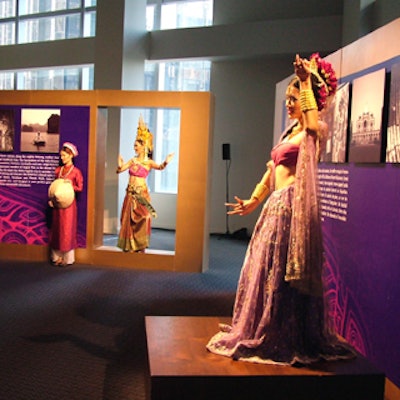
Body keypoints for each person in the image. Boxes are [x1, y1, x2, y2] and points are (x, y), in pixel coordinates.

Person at [206, 54, 356, 365]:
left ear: (308, 98)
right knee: (266, 268)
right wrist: (254, 199)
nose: (288, 105)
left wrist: (304, 81)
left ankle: (286, 331)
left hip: (293, 208)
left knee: (284, 272)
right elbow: (272, 168)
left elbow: (312, 124)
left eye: (294, 99)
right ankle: (264, 323)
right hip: (274, 206)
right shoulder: (288, 133)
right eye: (287, 98)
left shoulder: (314, 130)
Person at [116, 118, 174, 253]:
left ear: (143, 146)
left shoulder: (148, 162)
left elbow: (160, 167)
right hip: (130, 194)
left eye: (136, 145)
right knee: (127, 219)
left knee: (145, 217)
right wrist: (119, 164)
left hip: (141, 195)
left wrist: (166, 162)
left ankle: (141, 244)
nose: (134, 147)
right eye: (134, 145)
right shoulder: (133, 160)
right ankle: (130, 245)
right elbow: (120, 170)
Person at [48, 142, 83, 267]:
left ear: (70, 156)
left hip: (69, 205)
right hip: (58, 203)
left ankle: (67, 258)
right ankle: (57, 257)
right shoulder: (58, 170)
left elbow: (80, 187)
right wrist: (52, 199)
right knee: (57, 229)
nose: (62, 158)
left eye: (64, 156)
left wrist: (70, 185)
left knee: (67, 229)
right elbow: (55, 187)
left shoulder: (76, 172)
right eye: (61, 156)